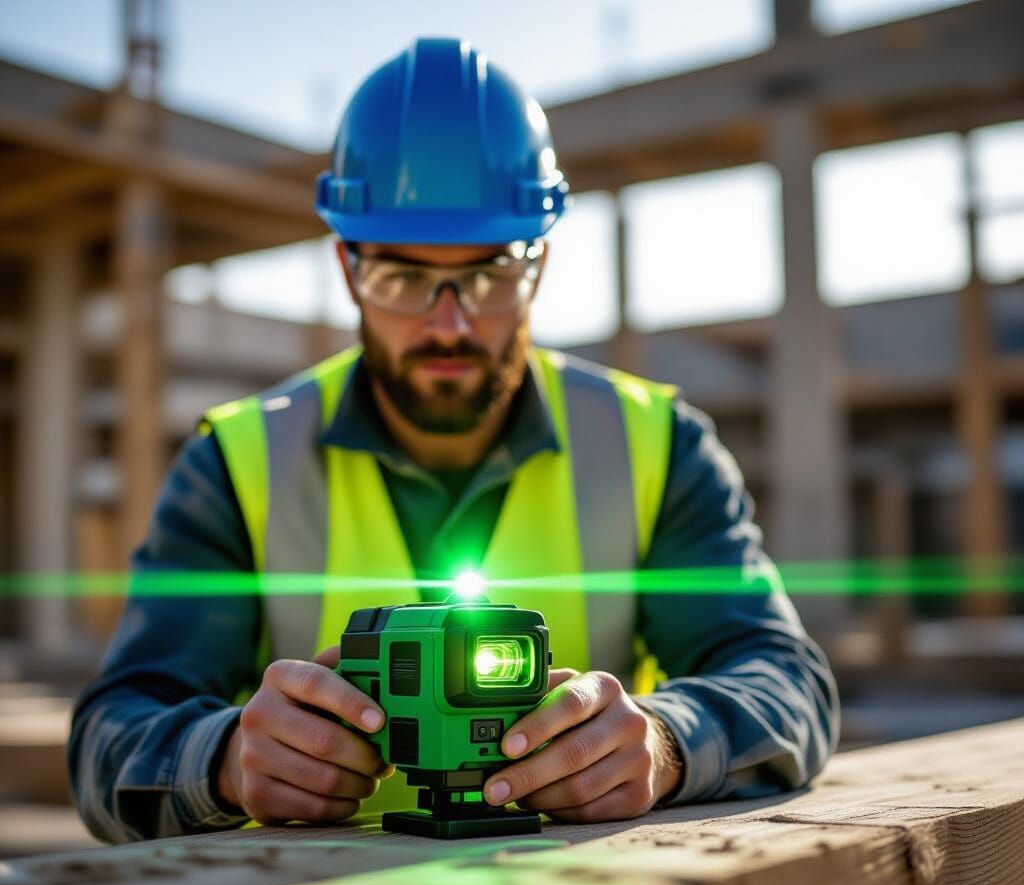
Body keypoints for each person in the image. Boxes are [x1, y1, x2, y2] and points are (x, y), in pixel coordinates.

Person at [69, 37, 839, 843]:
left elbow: (789, 682)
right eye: (402, 278)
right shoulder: (237, 461)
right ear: (347, 266)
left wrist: (667, 742)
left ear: (537, 263)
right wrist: (223, 758)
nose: (449, 324)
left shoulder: (657, 444)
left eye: (488, 275)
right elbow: (108, 736)